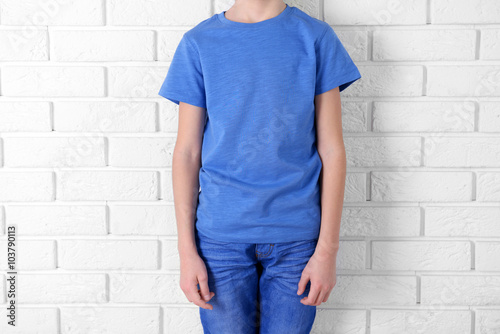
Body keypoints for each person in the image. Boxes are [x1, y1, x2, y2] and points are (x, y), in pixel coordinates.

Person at [158, 1, 361, 332]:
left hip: (296, 240)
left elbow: (333, 151)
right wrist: (186, 251)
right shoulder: (199, 42)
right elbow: (187, 153)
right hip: (219, 240)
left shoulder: (315, 37)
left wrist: (327, 251)